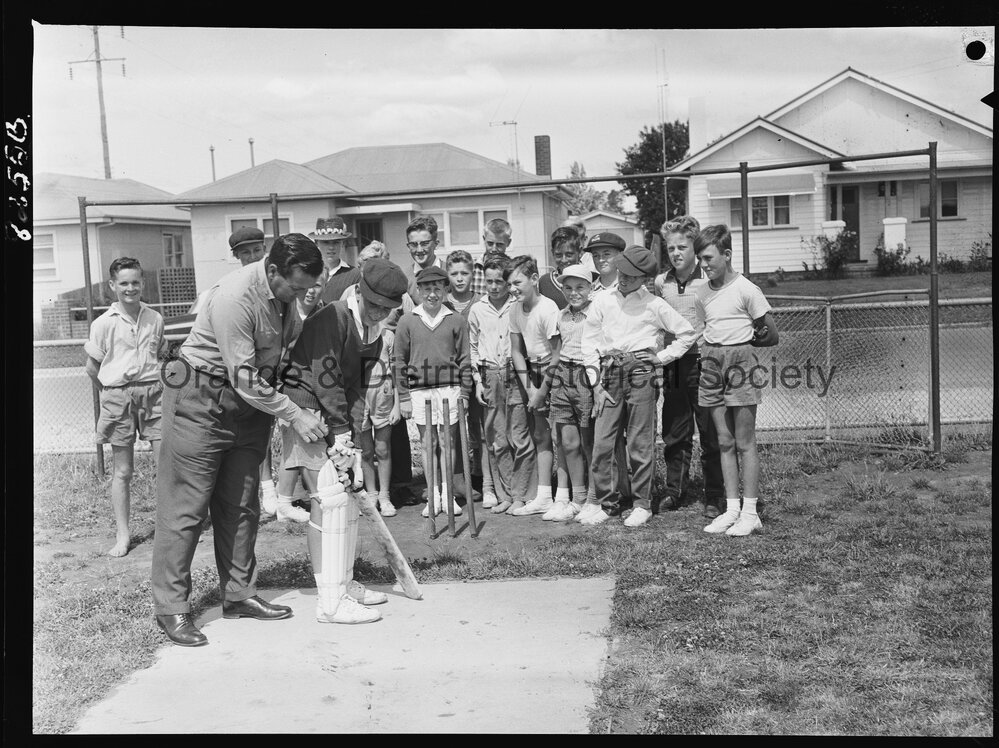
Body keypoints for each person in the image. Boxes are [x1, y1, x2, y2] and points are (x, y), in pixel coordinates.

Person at [151, 233, 329, 647]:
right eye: (297, 287)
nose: (302, 296)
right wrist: (294, 414)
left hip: (249, 407)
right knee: (186, 509)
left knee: (241, 504)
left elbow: (274, 363)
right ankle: (171, 608)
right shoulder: (235, 296)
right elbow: (243, 376)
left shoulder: (286, 296)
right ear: (273, 272)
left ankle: (239, 594)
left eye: (307, 289)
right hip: (201, 399)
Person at [282, 256, 412, 623]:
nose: (377, 314)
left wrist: (351, 433)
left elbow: (356, 382)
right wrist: (339, 431)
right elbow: (325, 377)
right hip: (309, 410)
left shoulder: (374, 328)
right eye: (373, 306)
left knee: (349, 501)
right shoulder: (334, 317)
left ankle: (344, 582)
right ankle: (329, 601)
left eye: (386, 310)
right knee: (330, 501)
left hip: (336, 414)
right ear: (359, 292)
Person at [579, 245, 696, 528]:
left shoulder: (654, 304)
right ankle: (608, 503)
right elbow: (589, 342)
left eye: (632, 276)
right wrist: (595, 384)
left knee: (640, 442)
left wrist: (661, 358)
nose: (624, 279)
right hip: (609, 374)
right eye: (622, 273)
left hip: (641, 374)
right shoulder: (603, 300)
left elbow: (687, 333)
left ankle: (642, 503)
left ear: (644, 278)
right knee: (603, 442)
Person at [694, 224, 779, 537]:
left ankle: (750, 512)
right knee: (723, 441)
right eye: (699, 259)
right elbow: (703, 330)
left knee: (745, 441)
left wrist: (743, 346)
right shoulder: (701, 293)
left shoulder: (746, 289)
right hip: (711, 364)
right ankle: (731, 509)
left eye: (708, 258)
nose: (703, 265)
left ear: (726, 254)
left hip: (741, 363)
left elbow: (771, 334)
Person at [84, 257, 166, 557]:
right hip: (118, 395)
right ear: (112, 286)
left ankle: (168, 530)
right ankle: (123, 534)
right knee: (124, 471)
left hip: (153, 393)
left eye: (135, 282)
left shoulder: (154, 318)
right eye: (123, 283)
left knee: (165, 466)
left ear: (142, 283)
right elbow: (92, 368)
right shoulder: (103, 323)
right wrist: (112, 393)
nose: (130, 288)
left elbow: (159, 355)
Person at [654, 216, 725, 518]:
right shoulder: (661, 283)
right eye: (671, 248)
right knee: (675, 431)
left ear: (694, 248)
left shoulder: (707, 281)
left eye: (682, 247)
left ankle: (716, 495)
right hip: (674, 364)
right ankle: (674, 491)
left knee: (710, 431)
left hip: (703, 361)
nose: (676, 253)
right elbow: (658, 324)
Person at [393, 264, 472, 518]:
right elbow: (399, 361)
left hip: (450, 389)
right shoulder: (407, 321)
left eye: (437, 288)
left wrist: (465, 392)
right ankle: (433, 494)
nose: (432, 294)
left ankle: (448, 495)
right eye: (427, 289)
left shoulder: (456, 319)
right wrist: (403, 396)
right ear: (419, 290)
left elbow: (465, 359)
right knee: (428, 444)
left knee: (448, 442)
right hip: (419, 391)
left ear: (444, 290)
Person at [270, 267, 331, 523]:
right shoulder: (288, 312)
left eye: (319, 285)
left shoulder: (326, 314)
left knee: (299, 450)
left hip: (315, 389)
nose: (312, 291)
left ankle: (285, 502)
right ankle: (298, 500)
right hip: (289, 391)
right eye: (310, 284)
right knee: (299, 449)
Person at [541, 263, 599, 522]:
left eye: (580, 287)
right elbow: (557, 350)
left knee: (589, 442)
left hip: (587, 376)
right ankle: (577, 498)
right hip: (563, 375)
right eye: (568, 288)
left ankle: (593, 499)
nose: (574, 293)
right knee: (568, 442)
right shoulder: (562, 315)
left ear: (590, 287)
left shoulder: (597, 313)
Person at [505, 254, 562, 517]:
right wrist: (529, 388)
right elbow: (517, 351)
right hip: (533, 373)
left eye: (517, 282)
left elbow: (557, 353)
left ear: (534, 279)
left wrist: (542, 390)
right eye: (509, 284)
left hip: (557, 372)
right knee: (540, 434)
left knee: (562, 436)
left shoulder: (548, 308)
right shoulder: (515, 309)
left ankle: (566, 495)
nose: (512, 288)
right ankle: (544, 495)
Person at [468, 254, 516, 511]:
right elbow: (473, 348)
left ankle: (516, 490)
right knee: (492, 435)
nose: (495, 286)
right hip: (488, 374)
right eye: (490, 281)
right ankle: (495, 489)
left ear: (508, 283)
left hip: (513, 373)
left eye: (500, 281)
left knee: (515, 433)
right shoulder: (478, 309)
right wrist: (477, 381)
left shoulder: (517, 306)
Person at [314, 217, 362, 305]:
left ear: (343, 243)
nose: (331, 247)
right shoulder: (309, 272)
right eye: (326, 242)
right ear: (317, 243)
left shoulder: (354, 275)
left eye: (336, 242)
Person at [538, 226, 583, 310]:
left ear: (579, 252)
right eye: (558, 255)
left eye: (569, 255)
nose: (564, 260)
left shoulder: (593, 279)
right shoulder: (544, 282)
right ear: (552, 253)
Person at [405, 215, 446, 305]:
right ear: (408, 247)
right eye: (414, 244)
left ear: (436, 244)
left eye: (424, 244)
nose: (419, 250)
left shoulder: (450, 272)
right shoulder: (404, 278)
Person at [471, 217, 513, 298]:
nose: (494, 249)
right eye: (490, 243)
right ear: (484, 239)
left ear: (508, 242)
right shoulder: (471, 267)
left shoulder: (514, 269)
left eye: (499, 244)